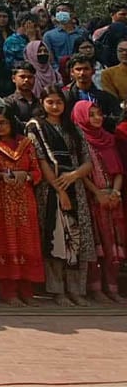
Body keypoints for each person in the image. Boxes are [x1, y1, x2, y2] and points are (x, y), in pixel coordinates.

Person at [26, 87, 95, 306]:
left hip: (76, 188)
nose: (55, 106)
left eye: (59, 102)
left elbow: (87, 161)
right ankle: (57, 290)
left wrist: (74, 175)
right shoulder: (36, 127)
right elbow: (41, 161)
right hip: (51, 190)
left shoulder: (73, 128)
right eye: (50, 102)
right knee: (56, 238)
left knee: (76, 239)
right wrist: (61, 191)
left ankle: (76, 290)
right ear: (42, 103)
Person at [0, 104, 44, 306]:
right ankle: (8, 292)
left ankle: (27, 291)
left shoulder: (26, 144)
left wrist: (25, 175)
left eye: (3, 122)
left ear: (12, 123)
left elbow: (37, 172)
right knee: (5, 242)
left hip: (24, 201)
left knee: (26, 243)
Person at [72, 101, 126, 303]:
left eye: (99, 114)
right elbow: (81, 173)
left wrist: (115, 192)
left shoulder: (109, 139)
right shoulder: (78, 140)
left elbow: (119, 170)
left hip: (112, 200)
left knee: (113, 246)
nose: (97, 118)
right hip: (92, 200)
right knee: (96, 246)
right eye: (91, 114)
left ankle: (112, 288)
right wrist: (97, 193)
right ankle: (96, 289)